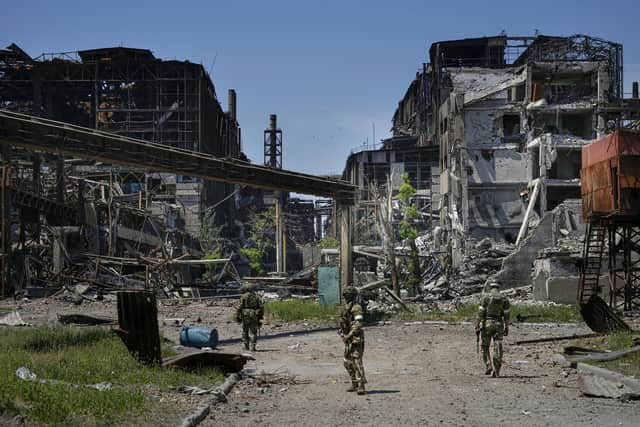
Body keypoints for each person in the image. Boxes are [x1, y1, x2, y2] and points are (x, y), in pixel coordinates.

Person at [475, 282, 510, 377]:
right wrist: (507, 327)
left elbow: (480, 313)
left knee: (485, 346)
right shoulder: (504, 298)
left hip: (487, 323)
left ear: (490, 287)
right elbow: (506, 315)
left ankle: (488, 365)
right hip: (499, 324)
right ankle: (497, 370)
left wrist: (477, 325)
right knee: (498, 346)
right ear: (499, 288)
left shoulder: (485, 297)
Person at [339, 286, 366, 395]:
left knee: (357, 361)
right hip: (348, 338)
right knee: (347, 361)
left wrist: (349, 335)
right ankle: (354, 382)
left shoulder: (357, 307)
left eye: (347, 295)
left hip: (356, 338)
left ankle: (361, 385)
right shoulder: (346, 307)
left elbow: (358, 324)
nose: (345, 297)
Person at [236, 283, 264, 351]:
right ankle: (253, 347)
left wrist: (238, 317)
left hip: (245, 314)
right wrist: (260, 317)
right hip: (254, 314)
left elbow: (239, 308)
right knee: (253, 332)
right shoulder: (257, 297)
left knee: (245, 331)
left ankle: (246, 346)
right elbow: (261, 307)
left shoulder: (243, 296)